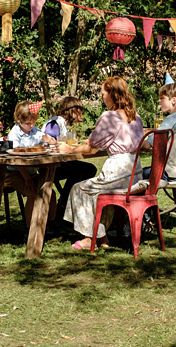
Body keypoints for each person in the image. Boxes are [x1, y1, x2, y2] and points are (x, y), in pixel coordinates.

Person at [58, 76, 144, 250]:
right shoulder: (135, 116)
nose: (102, 97)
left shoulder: (109, 117)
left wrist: (68, 150)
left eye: (103, 93)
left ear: (112, 94)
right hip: (135, 173)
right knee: (99, 193)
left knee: (79, 189)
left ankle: (89, 237)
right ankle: (102, 237)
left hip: (118, 171)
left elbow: (91, 149)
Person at [41, 97, 98, 221]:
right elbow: (48, 144)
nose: (81, 113)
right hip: (49, 165)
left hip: (59, 162)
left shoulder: (62, 124)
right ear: (72, 110)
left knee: (87, 169)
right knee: (85, 170)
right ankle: (64, 207)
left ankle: (68, 205)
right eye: (80, 110)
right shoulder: (55, 123)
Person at [4, 100, 55, 229]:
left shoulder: (34, 131)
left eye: (33, 122)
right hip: (14, 173)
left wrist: (50, 140)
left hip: (31, 172)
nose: (31, 125)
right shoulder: (14, 135)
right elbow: (16, 159)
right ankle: (30, 228)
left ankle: (51, 225)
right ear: (19, 120)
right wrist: (27, 179)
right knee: (32, 194)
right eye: (28, 123)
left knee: (50, 193)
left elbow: (46, 139)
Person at [142, 73, 176, 182]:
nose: (159, 101)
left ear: (173, 101)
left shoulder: (171, 119)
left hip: (171, 173)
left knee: (136, 174)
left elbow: (147, 145)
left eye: (162, 98)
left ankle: (144, 199)